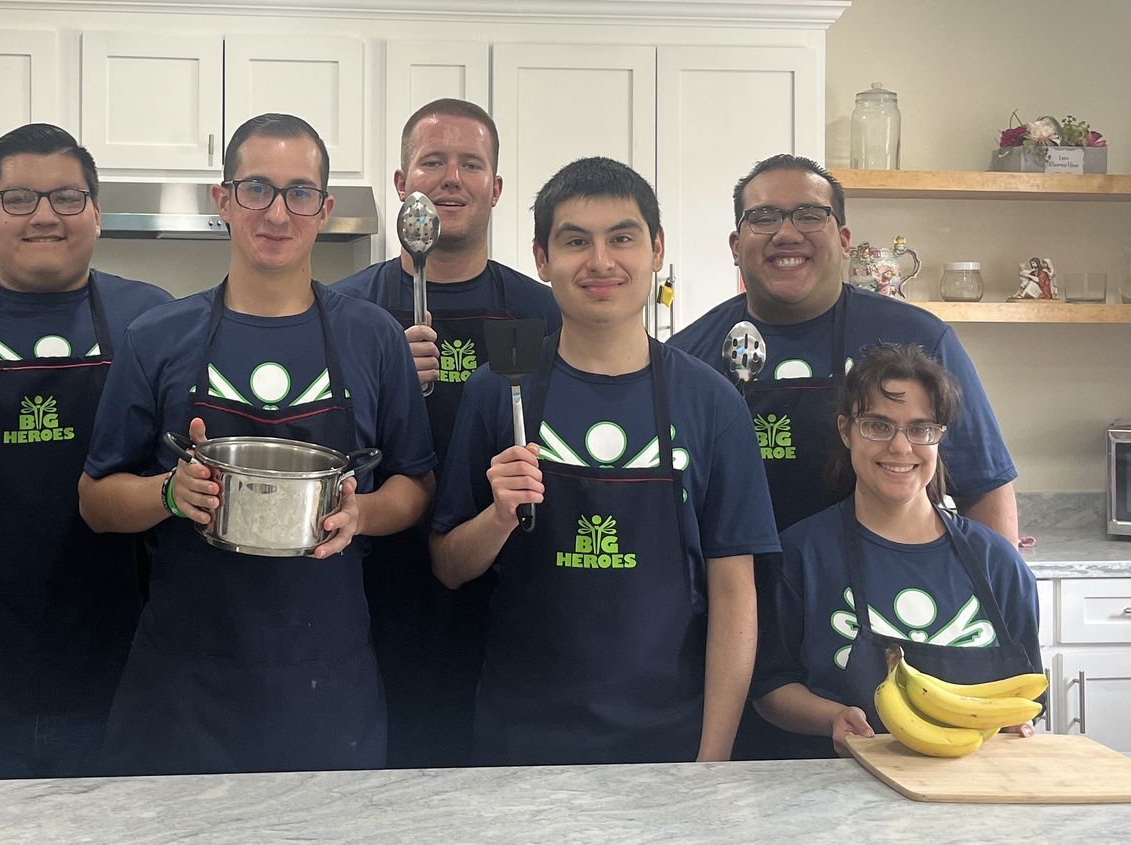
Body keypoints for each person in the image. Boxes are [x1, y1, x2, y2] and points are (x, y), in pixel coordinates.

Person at [80, 113, 436, 775]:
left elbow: (416, 485)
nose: (278, 212)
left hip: (327, 686)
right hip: (183, 687)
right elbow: (96, 499)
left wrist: (363, 514)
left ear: (325, 209)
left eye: (300, 192)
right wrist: (168, 492)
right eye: (257, 189)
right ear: (223, 200)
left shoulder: (375, 338)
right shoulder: (157, 338)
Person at [429, 157, 778, 765]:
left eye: (622, 238)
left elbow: (733, 592)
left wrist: (714, 758)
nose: (600, 261)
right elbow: (448, 567)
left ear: (656, 249)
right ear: (542, 259)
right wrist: (499, 516)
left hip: (670, 742)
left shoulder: (712, 401)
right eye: (574, 242)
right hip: (520, 742)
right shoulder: (498, 390)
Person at [0, 124, 172, 779]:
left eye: (65, 197)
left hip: (117, 671)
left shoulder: (154, 319)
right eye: (20, 198)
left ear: (95, 212)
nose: (44, 217)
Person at [330, 97, 560, 767]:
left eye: (470, 164)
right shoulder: (345, 312)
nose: (450, 178)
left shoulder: (544, 312)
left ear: (496, 188)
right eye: (432, 162)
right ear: (403, 187)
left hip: (505, 595)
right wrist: (386, 375)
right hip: (373, 590)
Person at [670, 155, 1018, 543]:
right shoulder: (685, 357)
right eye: (764, 217)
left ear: (844, 240)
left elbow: (984, 486)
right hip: (731, 594)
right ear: (736, 246)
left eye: (810, 215)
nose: (786, 234)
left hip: (876, 594)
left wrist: (997, 594)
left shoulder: (920, 339)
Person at [751, 344, 1041, 758]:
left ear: (940, 436)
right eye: (878, 426)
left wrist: (1020, 723)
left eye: (921, 429)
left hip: (976, 798)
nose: (901, 448)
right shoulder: (801, 557)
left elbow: (1027, 691)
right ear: (845, 430)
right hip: (834, 799)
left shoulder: (998, 563)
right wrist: (831, 717)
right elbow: (770, 689)